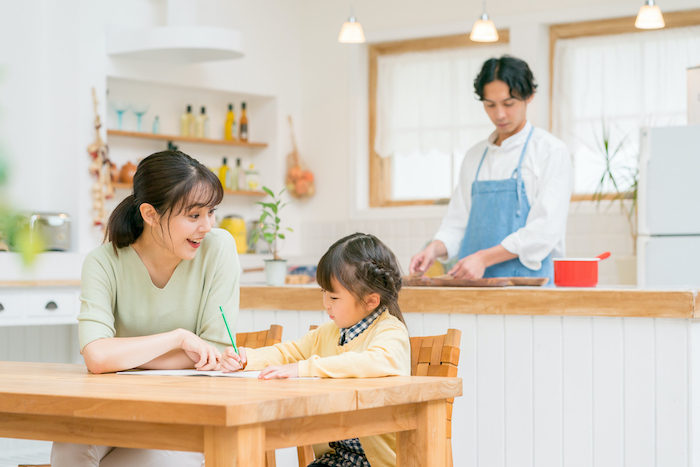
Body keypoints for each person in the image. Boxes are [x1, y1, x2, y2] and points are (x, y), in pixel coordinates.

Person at [51, 150, 240, 467]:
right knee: (69, 449)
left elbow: (215, 351)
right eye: (194, 216)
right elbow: (97, 356)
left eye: (211, 212)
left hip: (188, 414)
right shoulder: (103, 262)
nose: (207, 225)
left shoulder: (218, 248)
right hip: (114, 407)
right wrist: (179, 339)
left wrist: (123, 358)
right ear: (150, 214)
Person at [221, 233, 410, 467]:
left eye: (334, 296)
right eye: (323, 292)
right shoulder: (327, 332)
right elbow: (289, 352)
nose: (325, 303)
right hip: (333, 460)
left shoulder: (391, 332)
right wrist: (247, 358)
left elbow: (372, 361)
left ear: (371, 301)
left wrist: (304, 368)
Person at [409, 55, 573, 282]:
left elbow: (544, 231)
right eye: (490, 105)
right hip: (473, 288)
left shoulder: (551, 151)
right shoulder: (475, 157)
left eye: (508, 104)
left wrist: (484, 258)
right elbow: (457, 223)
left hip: (530, 287)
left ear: (529, 96)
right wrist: (434, 249)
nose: (500, 115)